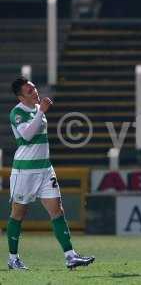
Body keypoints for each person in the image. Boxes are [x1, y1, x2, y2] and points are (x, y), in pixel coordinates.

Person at [7, 76, 95, 270]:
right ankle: (13, 258)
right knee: (18, 215)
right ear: (21, 97)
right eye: (29, 91)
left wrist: (40, 112)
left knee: (58, 212)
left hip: (45, 169)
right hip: (25, 171)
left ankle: (70, 256)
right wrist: (42, 113)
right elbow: (27, 136)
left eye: (34, 88)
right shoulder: (17, 113)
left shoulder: (38, 110)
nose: (35, 91)